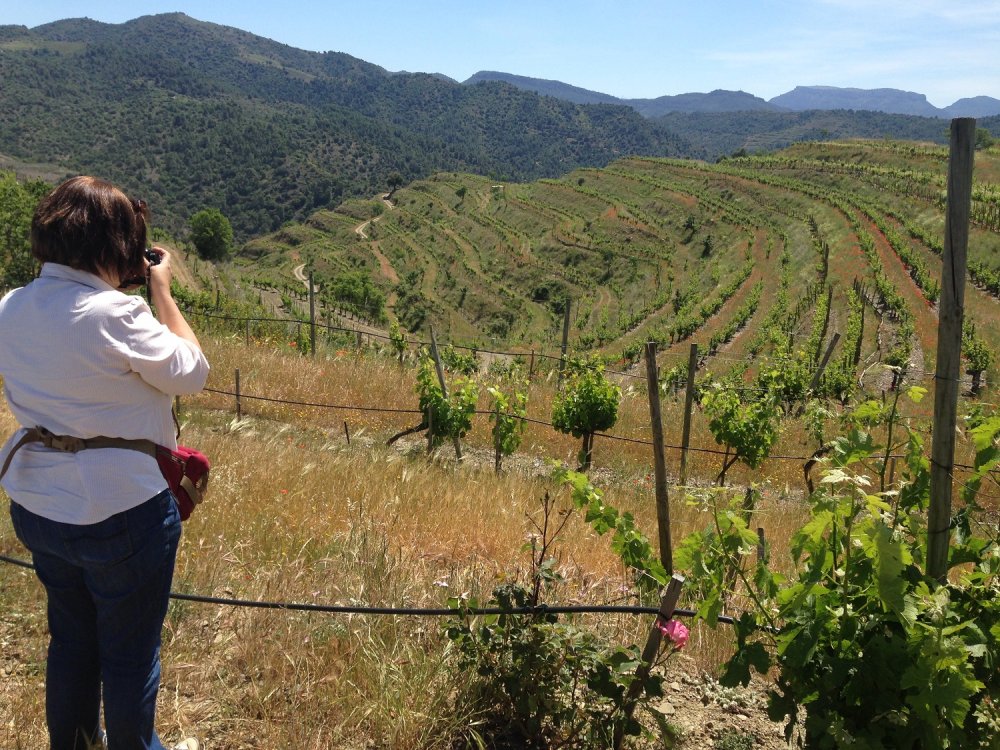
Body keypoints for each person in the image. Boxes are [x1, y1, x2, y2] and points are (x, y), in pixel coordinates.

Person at [0, 176, 209, 750]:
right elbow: (192, 370)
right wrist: (161, 291)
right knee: (129, 656)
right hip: (122, 510)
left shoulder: (10, 308)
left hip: (38, 504)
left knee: (70, 641)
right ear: (117, 246)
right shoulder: (117, 314)